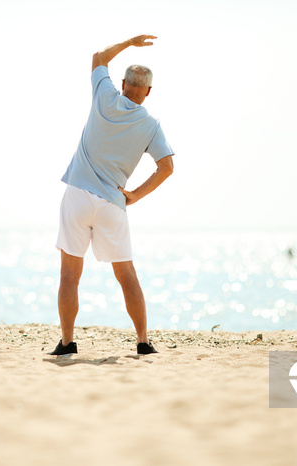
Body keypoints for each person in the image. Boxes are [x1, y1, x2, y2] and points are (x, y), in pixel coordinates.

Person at [50, 34, 175, 356]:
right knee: (126, 275)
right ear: (148, 92)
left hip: (78, 195)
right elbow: (166, 167)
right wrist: (134, 195)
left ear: (122, 83)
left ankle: (66, 343)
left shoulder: (105, 95)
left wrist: (130, 43)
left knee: (69, 275)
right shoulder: (151, 124)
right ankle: (143, 342)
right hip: (112, 202)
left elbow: (98, 57)